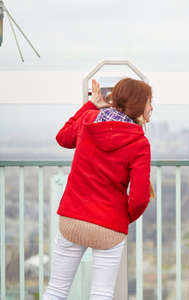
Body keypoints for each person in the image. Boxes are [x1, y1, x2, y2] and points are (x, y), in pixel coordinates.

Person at [43, 78, 154, 300]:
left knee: (56, 290)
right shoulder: (139, 143)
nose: (152, 107)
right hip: (109, 227)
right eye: (150, 102)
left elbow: (63, 138)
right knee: (101, 295)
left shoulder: (88, 120)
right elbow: (140, 198)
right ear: (139, 104)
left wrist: (91, 104)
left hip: (72, 219)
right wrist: (120, 218)